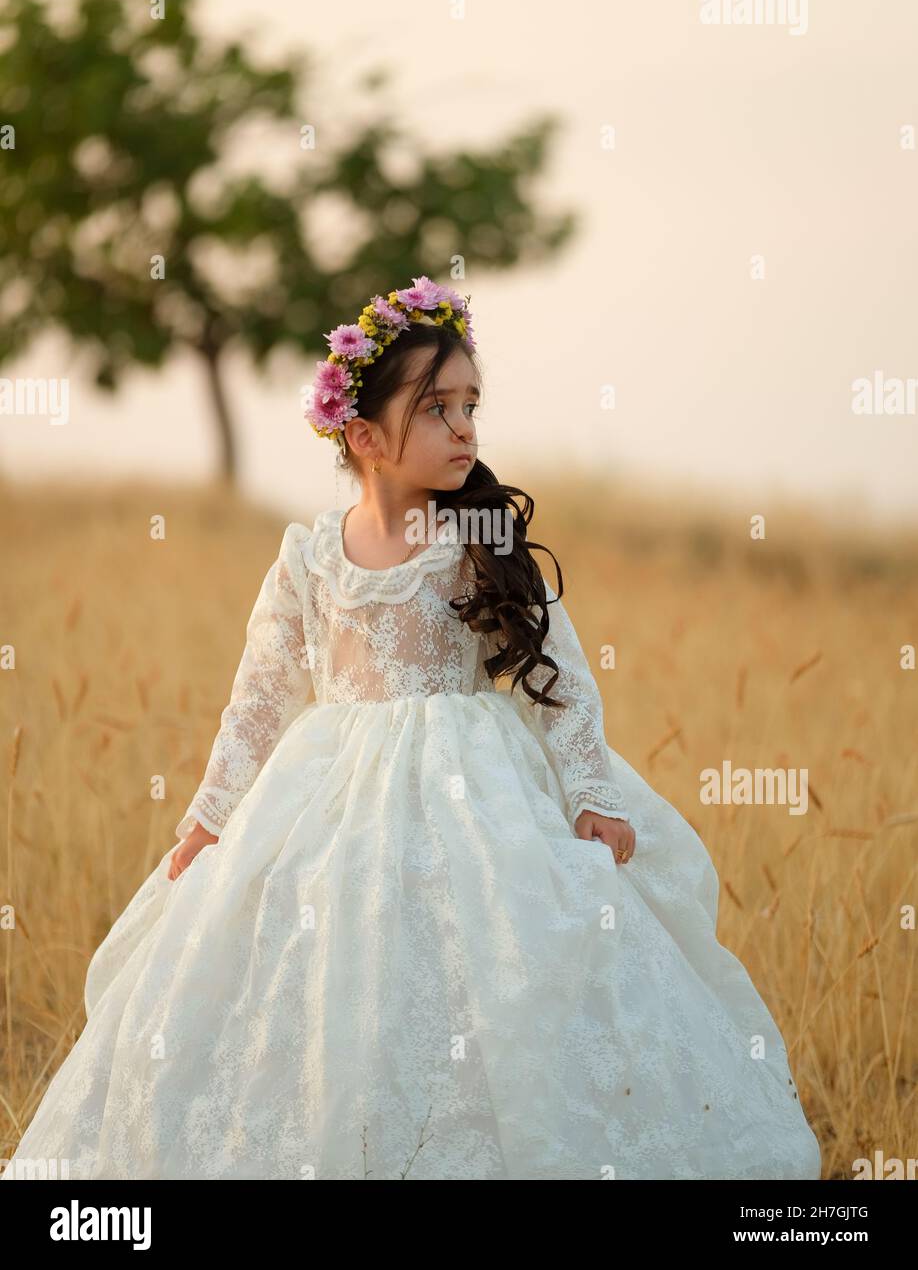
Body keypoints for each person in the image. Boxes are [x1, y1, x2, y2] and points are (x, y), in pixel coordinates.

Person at [1, 277, 822, 1180]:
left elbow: (562, 679)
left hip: (479, 808)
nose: (467, 428)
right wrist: (209, 819)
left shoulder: (478, 541)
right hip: (333, 806)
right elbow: (260, 701)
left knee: (479, 976)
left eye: (473, 406)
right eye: (437, 409)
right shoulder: (310, 558)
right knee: (334, 986)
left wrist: (590, 792)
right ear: (362, 436)